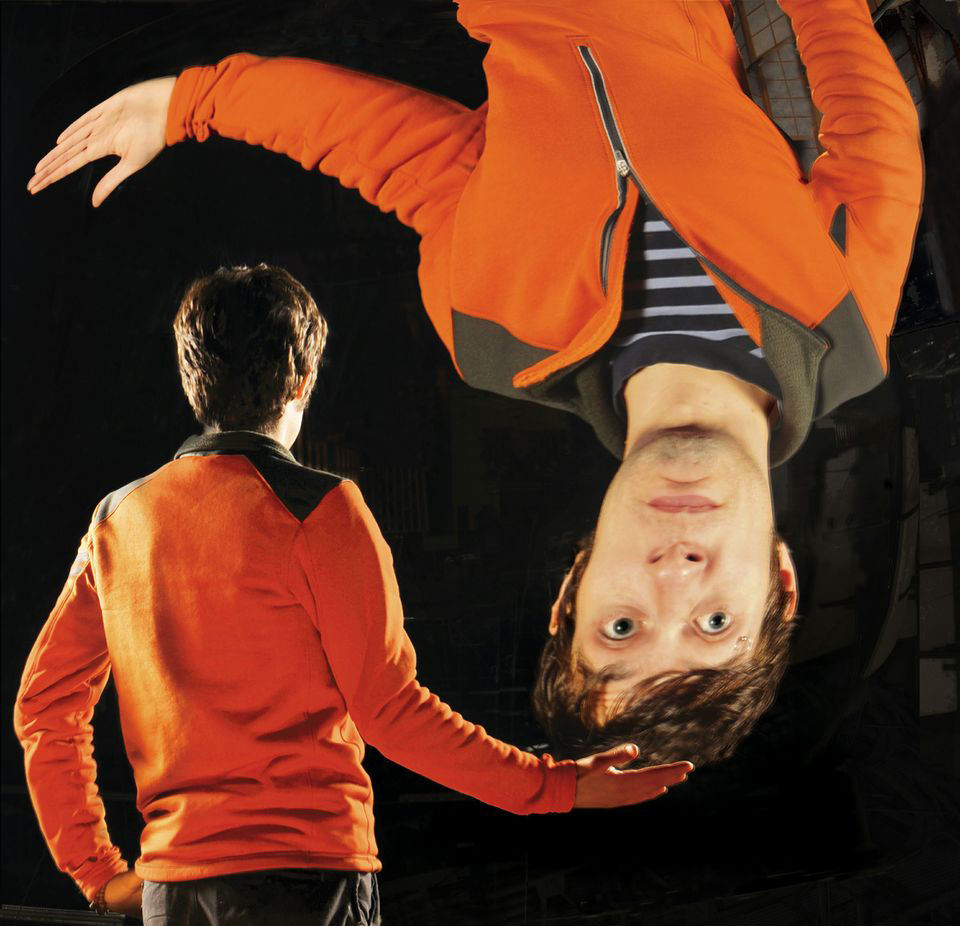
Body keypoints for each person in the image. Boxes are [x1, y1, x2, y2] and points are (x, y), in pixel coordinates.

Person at [26, 0, 923, 765]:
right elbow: (842, 54)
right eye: (716, 624)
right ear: (781, 581)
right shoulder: (845, 317)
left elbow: (387, 150)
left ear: (578, 582)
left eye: (621, 629)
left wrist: (194, 102)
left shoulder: (490, 332)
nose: (675, 580)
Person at [13, 265, 693, 926]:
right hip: (304, 895)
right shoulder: (321, 508)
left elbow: (45, 707)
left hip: (177, 908)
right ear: (301, 378)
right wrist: (556, 785)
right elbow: (393, 711)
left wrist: (97, 871)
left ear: (194, 377)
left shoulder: (118, 518)